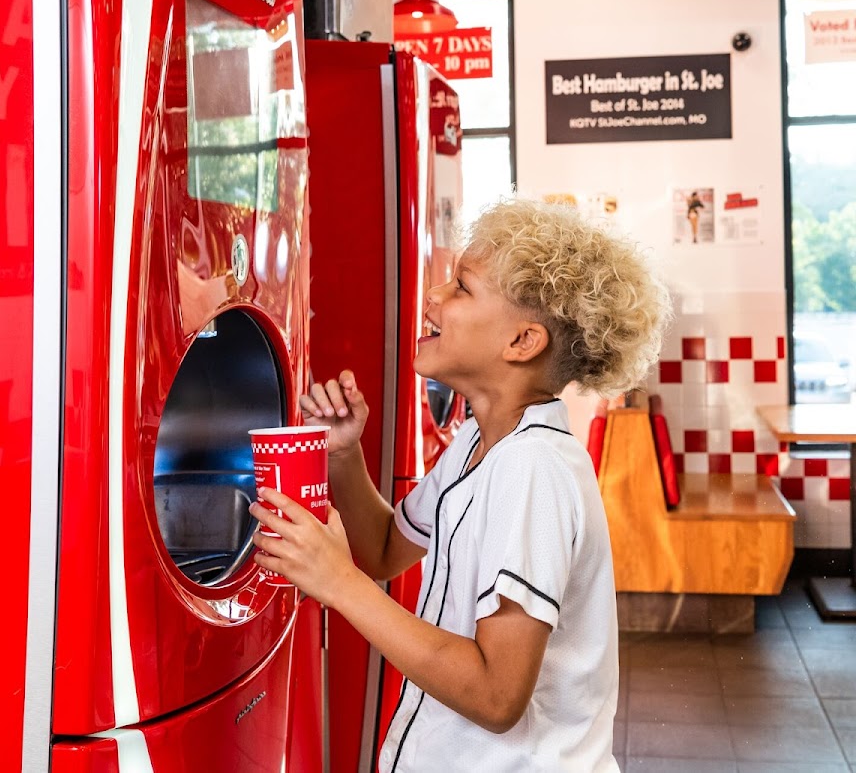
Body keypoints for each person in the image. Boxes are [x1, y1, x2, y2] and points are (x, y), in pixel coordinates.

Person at [250, 198, 670, 772]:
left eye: (462, 288)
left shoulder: (533, 471)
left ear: (522, 342)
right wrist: (343, 457)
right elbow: (383, 550)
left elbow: (498, 697)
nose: (433, 297)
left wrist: (336, 582)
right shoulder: (479, 444)